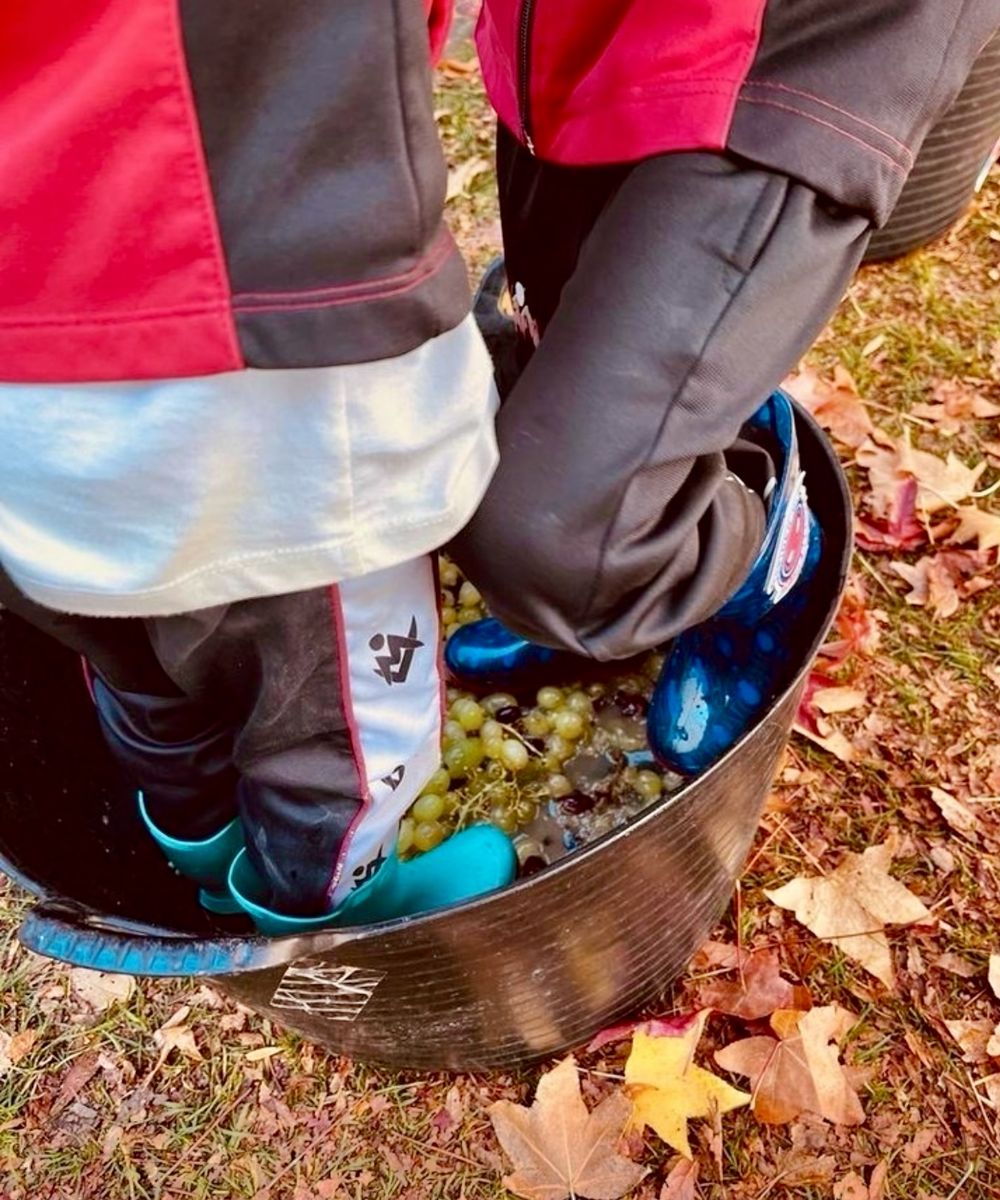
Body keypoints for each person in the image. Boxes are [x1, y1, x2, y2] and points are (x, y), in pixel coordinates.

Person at [0, 0, 516, 934]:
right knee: (343, 734)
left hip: (26, 416)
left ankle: (205, 845)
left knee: (137, 658)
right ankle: (324, 904)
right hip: (268, 385)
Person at [446, 0, 1000, 773]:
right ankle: (650, 535)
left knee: (556, 540)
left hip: (778, 41)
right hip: (567, 32)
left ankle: (760, 558)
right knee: (557, 347)